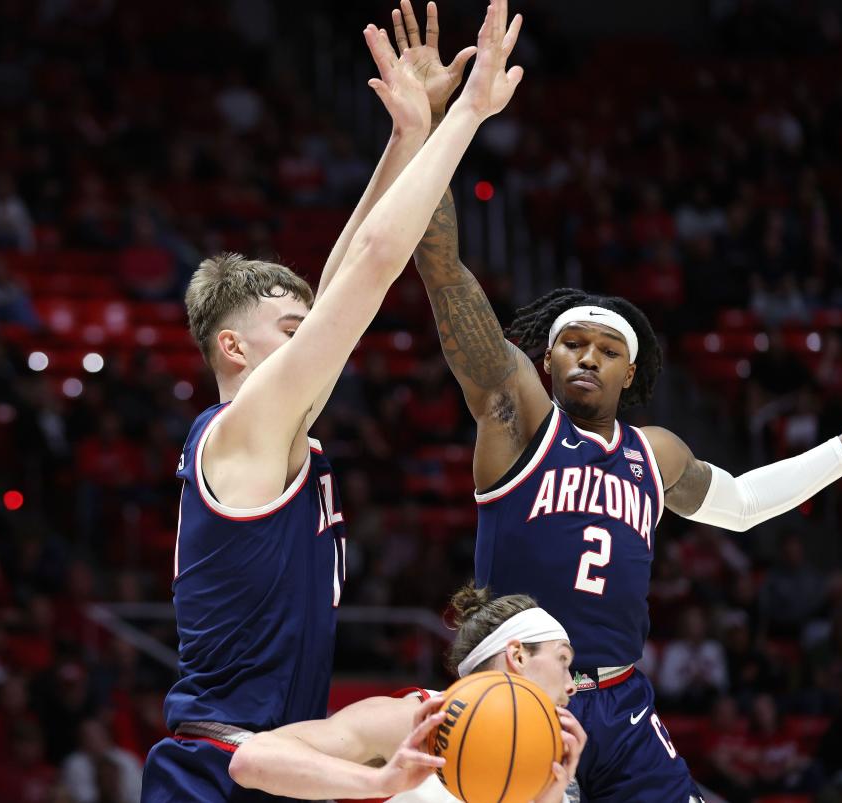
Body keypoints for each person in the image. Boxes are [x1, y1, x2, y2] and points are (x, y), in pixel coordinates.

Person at [394, 3, 842, 798]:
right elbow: (442, 271)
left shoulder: (654, 452)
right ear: (545, 356)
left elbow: (739, 503)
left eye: (607, 352)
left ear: (629, 376)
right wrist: (433, 126)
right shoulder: (516, 412)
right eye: (572, 344)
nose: (587, 359)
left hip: (625, 702)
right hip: (520, 698)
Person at [141, 2, 527, 799]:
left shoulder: (268, 434)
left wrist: (407, 136)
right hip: (220, 766)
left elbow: (356, 257)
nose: (312, 335)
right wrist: (468, 115)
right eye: (292, 326)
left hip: (277, 757)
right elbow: (378, 261)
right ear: (233, 348)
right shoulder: (242, 425)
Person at [227, 585, 586, 803]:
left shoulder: (550, 764)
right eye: (562, 660)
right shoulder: (416, 720)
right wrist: (381, 782)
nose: (571, 683)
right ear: (518, 655)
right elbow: (252, 759)